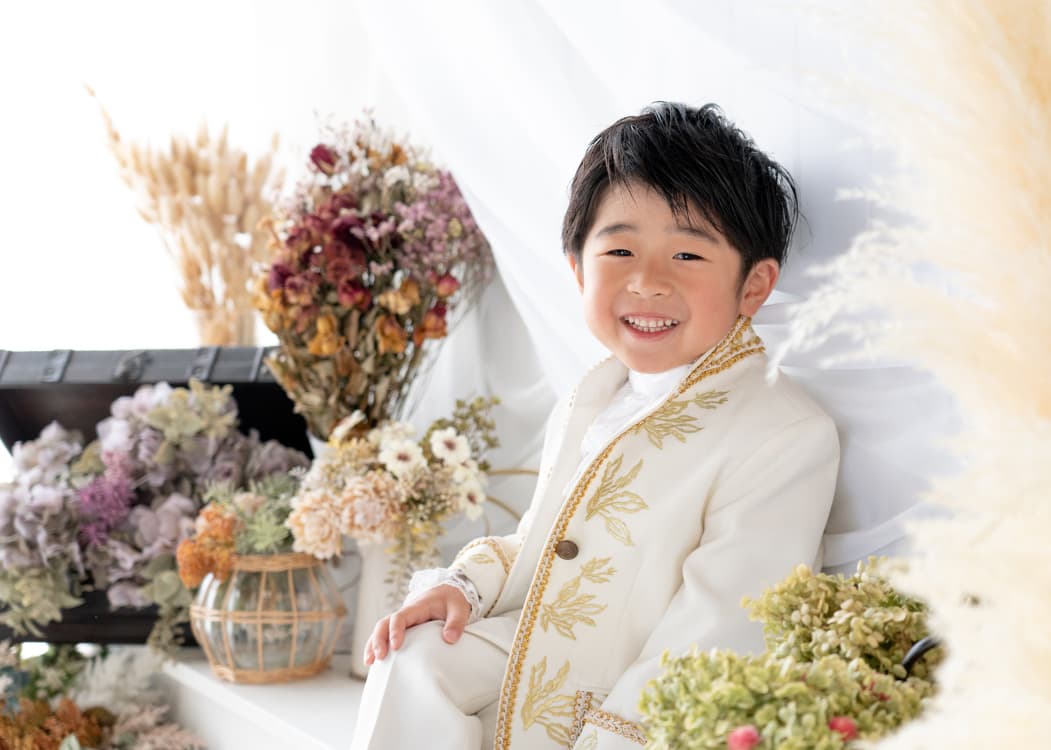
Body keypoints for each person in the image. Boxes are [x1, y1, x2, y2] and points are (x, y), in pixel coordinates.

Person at [349, 102, 840, 750]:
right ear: (579, 269)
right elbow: (537, 542)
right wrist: (463, 586)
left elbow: (721, 624)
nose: (647, 281)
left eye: (687, 254)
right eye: (620, 250)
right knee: (413, 656)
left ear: (753, 286)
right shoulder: (595, 396)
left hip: (623, 701)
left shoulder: (782, 432)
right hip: (540, 656)